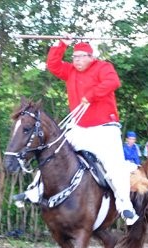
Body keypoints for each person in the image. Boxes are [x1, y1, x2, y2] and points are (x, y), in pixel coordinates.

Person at [14, 38, 138, 225]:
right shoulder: (70, 71)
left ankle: (125, 205)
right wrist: (61, 44)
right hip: (79, 128)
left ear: (91, 57)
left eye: (81, 56)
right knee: (52, 153)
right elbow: (53, 65)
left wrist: (91, 95)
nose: (77, 60)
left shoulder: (103, 67)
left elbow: (113, 82)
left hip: (105, 129)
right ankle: (34, 190)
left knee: (114, 166)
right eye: (74, 57)